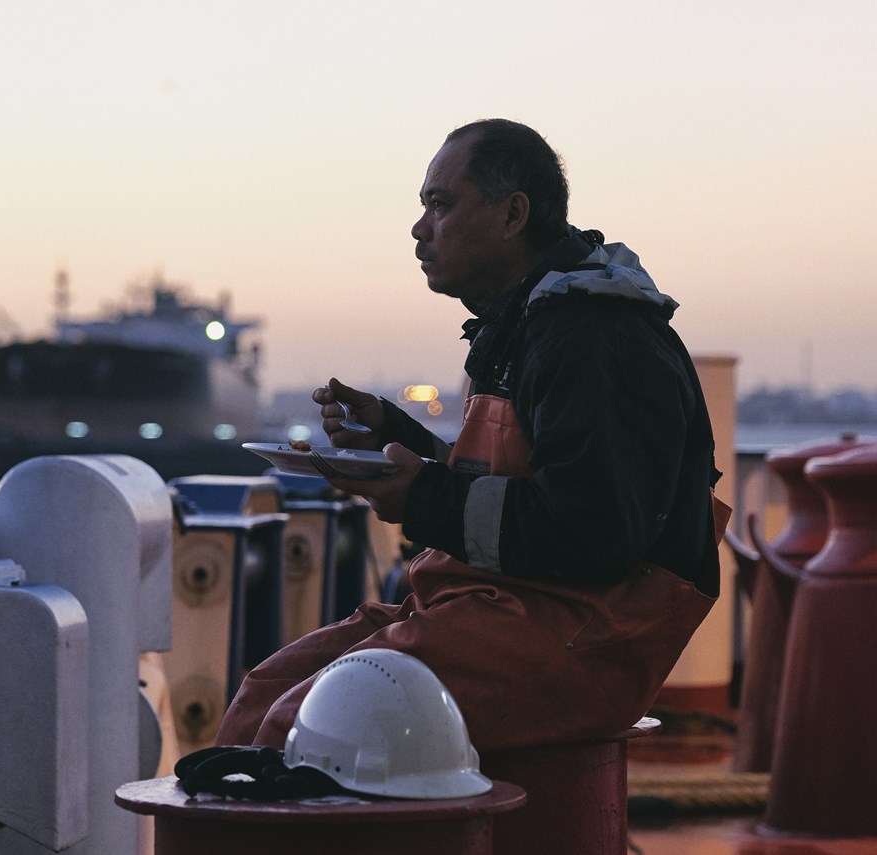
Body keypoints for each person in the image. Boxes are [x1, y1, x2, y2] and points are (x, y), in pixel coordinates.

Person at [217, 118, 731, 752]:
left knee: (301, 731)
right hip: (501, 604)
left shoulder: (595, 338)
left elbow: (598, 532)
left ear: (513, 214)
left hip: (585, 637)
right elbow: (522, 488)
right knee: (263, 697)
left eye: (441, 204)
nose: (419, 228)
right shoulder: (530, 325)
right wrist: (392, 441)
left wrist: (424, 498)